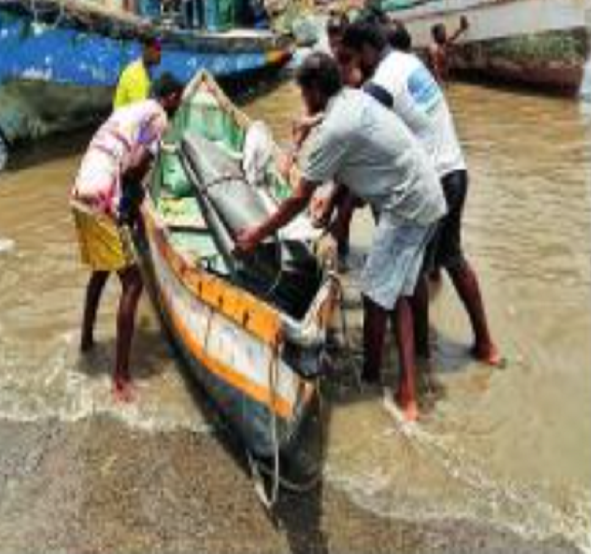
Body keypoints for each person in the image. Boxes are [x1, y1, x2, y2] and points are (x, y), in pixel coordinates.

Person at [234, 53, 446, 421]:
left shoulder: (335, 129)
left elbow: (299, 196)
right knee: (396, 296)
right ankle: (398, 383)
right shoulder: (353, 97)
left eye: (303, 92)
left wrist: (257, 233)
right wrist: (307, 128)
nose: (303, 100)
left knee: (378, 297)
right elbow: (339, 134)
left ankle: (379, 384)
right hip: (426, 195)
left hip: (407, 207)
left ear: (316, 89)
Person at [338, 21, 500, 368]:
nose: (353, 67)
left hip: (431, 183)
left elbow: (355, 133)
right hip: (456, 170)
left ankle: (421, 356)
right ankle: (486, 346)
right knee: (453, 259)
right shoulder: (409, 62)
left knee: (411, 276)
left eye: (353, 59)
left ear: (367, 50)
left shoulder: (382, 79)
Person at [72, 73, 186, 402]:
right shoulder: (160, 117)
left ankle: (86, 342)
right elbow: (133, 168)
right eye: (178, 101)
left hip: (81, 189)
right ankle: (120, 378)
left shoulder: (132, 110)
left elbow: (120, 157)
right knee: (134, 282)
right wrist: (130, 204)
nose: (177, 109)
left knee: (101, 269)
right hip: (104, 195)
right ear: (172, 97)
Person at [113, 38, 162, 109]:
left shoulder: (146, 71)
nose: (160, 54)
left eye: (160, 50)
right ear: (146, 50)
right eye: (156, 49)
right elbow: (140, 108)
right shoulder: (135, 72)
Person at [429, 16, 469, 84]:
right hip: (438, 79)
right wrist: (439, 79)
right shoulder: (434, 47)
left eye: (444, 31)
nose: (445, 33)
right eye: (442, 32)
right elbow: (434, 65)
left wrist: (461, 28)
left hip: (444, 77)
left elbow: (454, 36)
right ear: (436, 35)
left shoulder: (444, 43)